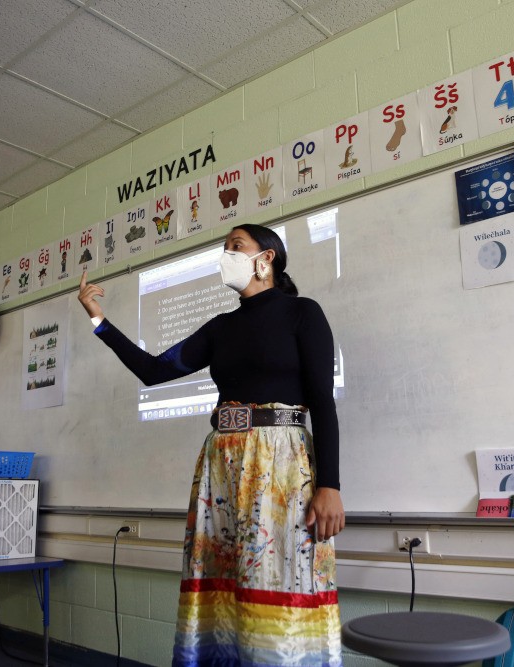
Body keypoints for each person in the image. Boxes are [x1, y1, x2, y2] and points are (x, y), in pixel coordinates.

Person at [78, 223, 344, 667]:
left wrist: (330, 484)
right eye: (224, 248)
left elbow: (322, 402)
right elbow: (153, 370)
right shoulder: (221, 326)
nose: (226, 255)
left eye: (235, 246)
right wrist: (97, 320)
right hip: (220, 464)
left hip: (280, 464)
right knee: (221, 580)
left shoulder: (303, 313)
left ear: (267, 258)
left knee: (282, 578)